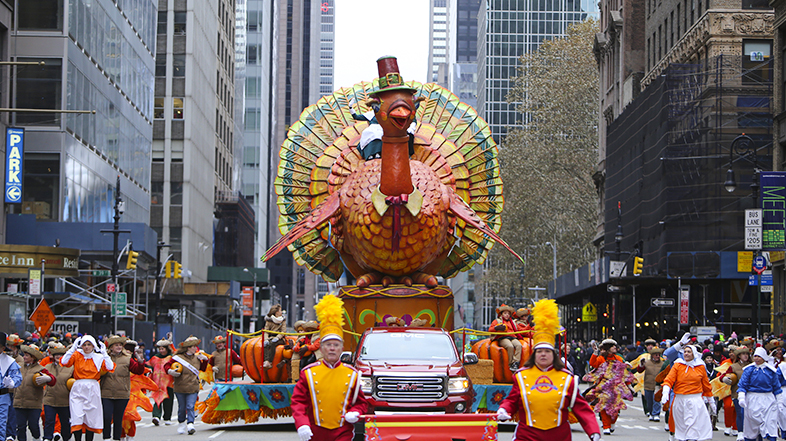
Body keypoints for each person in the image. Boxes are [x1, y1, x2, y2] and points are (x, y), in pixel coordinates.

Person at [496, 299, 601, 441]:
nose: (543, 354)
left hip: (559, 435)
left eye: (547, 351)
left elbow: (582, 408)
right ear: (534, 354)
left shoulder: (567, 378)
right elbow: (512, 400)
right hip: (528, 435)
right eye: (539, 351)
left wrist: (593, 431)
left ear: (554, 355)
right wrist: (504, 409)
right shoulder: (522, 376)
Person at [291, 295, 367, 441]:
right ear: (322, 348)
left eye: (336, 345)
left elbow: (361, 402)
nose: (332, 348)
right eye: (328, 345)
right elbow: (298, 402)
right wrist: (302, 424)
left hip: (343, 432)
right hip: (315, 432)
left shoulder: (353, 374)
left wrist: (356, 412)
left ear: (341, 349)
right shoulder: (308, 373)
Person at [61, 335, 114, 441]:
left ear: (93, 346)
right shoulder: (77, 355)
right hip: (78, 387)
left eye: (89, 344)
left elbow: (110, 367)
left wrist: (104, 353)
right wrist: (72, 349)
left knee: (91, 417)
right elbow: (64, 362)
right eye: (84, 345)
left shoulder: (98, 357)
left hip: (92, 388)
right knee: (77, 417)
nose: (86, 347)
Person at [660, 344, 713, 441]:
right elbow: (669, 379)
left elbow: (706, 385)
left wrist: (711, 401)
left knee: (692, 425)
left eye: (689, 352)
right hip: (680, 399)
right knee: (681, 427)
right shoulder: (678, 365)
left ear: (694, 354)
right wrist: (665, 392)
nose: (686, 354)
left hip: (695, 400)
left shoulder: (700, 367)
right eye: (685, 352)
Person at [100, 336, 144, 441]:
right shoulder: (104, 357)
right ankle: (106, 438)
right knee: (106, 417)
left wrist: (140, 362)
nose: (119, 347)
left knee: (118, 418)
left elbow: (137, 370)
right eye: (116, 345)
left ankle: (116, 438)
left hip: (122, 393)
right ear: (111, 347)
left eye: (120, 345)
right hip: (106, 392)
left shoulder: (127, 358)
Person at [163, 336, 208, 435]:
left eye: (195, 346)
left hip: (193, 386)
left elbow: (203, 369)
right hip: (180, 387)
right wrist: (170, 371)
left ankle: (190, 424)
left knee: (190, 406)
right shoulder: (178, 358)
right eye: (193, 346)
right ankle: (181, 423)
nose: (195, 348)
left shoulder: (197, 358)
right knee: (182, 407)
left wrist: (205, 360)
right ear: (188, 348)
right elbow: (166, 365)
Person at [737, 347, 781, 441]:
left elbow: (776, 387)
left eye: (759, 356)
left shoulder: (771, 371)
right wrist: (741, 397)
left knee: (770, 424)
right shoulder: (749, 370)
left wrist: (780, 401)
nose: (756, 358)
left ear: (764, 358)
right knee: (751, 427)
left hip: (768, 400)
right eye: (755, 356)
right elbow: (742, 384)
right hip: (753, 400)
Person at [14, 344, 55, 441]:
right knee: (20, 426)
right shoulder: (18, 366)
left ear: (33, 357)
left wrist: (48, 378)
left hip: (34, 403)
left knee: (33, 425)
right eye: (24, 355)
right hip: (19, 401)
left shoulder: (40, 369)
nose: (24, 357)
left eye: (27, 355)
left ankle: (36, 437)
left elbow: (53, 381)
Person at [42, 344, 73, 441]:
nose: (58, 357)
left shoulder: (70, 367)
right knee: (49, 421)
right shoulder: (47, 366)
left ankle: (66, 437)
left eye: (60, 355)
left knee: (65, 422)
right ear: (53, 356)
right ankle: (47, 438)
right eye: (56, 355)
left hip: (64, 400)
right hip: (49, 399)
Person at [724, 347, 751, 441]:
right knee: (740, 413)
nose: (745, 356)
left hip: (751, 393)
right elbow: (724, 376)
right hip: (737, 393)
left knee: (750, 415)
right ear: (739, 356)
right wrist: (725, 379)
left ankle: (750, 432)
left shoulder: (752, 365)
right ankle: (740, 432)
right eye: (743, 354)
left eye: (747, 354)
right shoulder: (733, 366)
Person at [146, 339, 174, 426]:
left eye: (163, 349)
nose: (161, 351)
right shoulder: (155, 358)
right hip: (157, 382)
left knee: (168, 400)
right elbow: (149, 366)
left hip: (169, 382)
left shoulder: (171, 357)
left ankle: (167, 417)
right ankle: (156, 416)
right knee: (157, 399)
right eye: (160, 349)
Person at [0, 333, 22, 441]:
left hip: (2, 395)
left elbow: (17, 377)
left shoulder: (9, 361)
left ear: (2, 348)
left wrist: (12, 382)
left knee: (1, 424)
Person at [488, 304, 523, 371]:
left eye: (508, 313)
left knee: (519, 345)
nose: (507, 315)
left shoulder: (513, 322)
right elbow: (490, 330)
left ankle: (516, 362)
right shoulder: (497, 321)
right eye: (505, 313)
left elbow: (521, 330)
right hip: (503, 338)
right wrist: (496, 328)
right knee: (510, 346)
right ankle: (511, 364)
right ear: (501, 314)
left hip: (513, 337)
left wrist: (530, 326)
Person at [637, 346, 667, 422]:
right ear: (652, 355)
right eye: (655, 355)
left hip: (658, 385)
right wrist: (641, 364)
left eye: (658, 355)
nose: (657, 356)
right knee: (649, 401)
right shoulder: (647, 363)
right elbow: (639, 370)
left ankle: (656, 414)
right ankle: (651, 413)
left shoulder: (663, 364)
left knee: (656, 400)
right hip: (648, 385)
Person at [263, 305, 286, 369]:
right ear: (276, 312)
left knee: (272, 344)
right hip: (270, 337)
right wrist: (266, 339)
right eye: (280, 310)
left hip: (280, 338)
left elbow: (283, 331)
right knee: (266, 344)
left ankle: (270, 362)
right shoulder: (269, 320)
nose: (281, 312)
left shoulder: (283, 320)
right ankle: (266, 361)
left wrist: (278, 337)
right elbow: (266, 331)